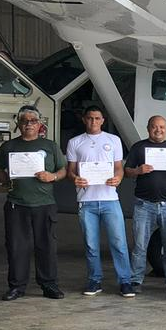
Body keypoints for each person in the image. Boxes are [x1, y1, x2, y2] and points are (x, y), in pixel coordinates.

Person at [0, 104, 66, 300]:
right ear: (18, 124)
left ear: (40, 124)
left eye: (33, 121)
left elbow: (63, 169)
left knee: (46, 246)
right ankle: (17, 286)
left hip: (44, 203)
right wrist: (4, 180)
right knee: (17, 246)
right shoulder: (9, 146)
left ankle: (49, 284)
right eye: (24, 121)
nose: (29, 124)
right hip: (17, 204)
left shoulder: (50, 146)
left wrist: (52, 177)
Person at [65, 104, 135, 297]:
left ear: (103, 120)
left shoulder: (113, 140)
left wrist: (118, 178)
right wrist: (74, 178)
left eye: (97, 118)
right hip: (86, 201)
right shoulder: (75, 142)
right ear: (84, 119)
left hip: (110, 199)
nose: (93, 121)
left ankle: (125, 281)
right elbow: (71, 170)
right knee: (91, 244)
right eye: (90, 118)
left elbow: (118, 167)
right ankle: (94, 280)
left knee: (119, 242)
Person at [124, 115, 166, 292]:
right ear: (148, 128)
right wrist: (137, 170)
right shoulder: (139, 147)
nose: (158, 130)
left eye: (161, 127)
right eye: (154, 127)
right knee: (139, 245)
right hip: (144, 205)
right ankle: (135, 280)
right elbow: (127, 171)